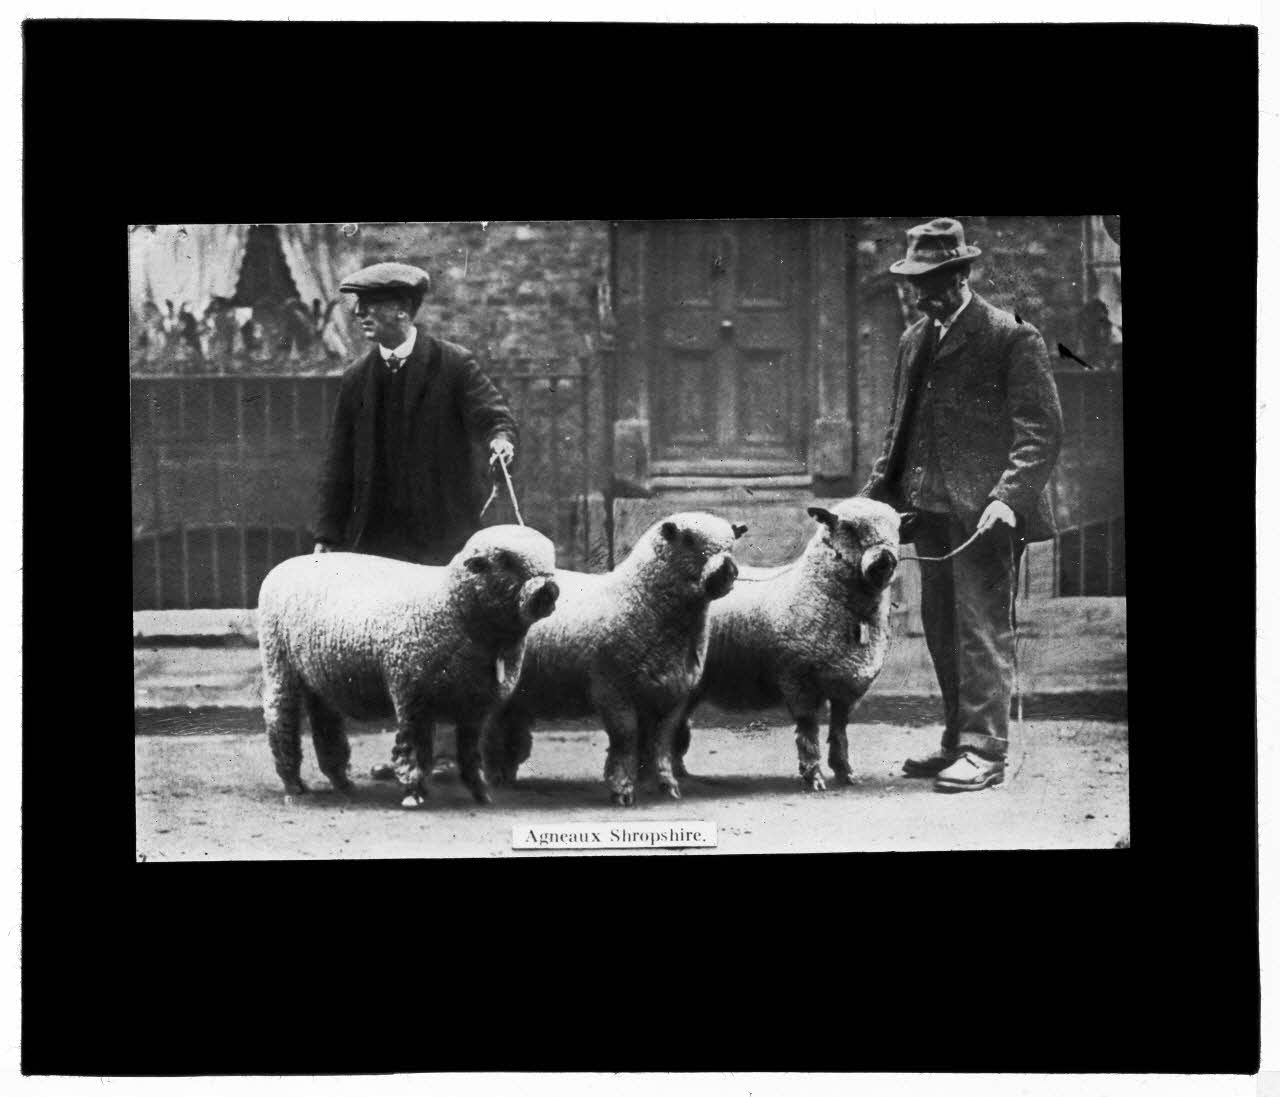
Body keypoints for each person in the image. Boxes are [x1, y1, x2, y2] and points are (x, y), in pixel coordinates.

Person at [862, 218, 1063, 792]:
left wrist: (1008, 498)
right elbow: (899, 432)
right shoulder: (914, 339)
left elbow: (1040, 432)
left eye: (930, 282)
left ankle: (985, 750)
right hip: (929, 512)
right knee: (942, 630)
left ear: (961, 275)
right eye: (913, 283)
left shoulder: (1010, 335)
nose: (919, 294)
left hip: (985, 518)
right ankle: (958, 739)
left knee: (981, 629)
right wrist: (871, 503)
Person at [312, 261, 517, 564]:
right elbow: (339, 461)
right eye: (359, 305)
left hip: (443, 537)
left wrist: (501, 440)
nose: (358, 313)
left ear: (402, 309)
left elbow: (494, 417)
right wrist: (327, 535)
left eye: (370, 304)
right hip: (377, 540)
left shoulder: (452, 364)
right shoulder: (356, 377)